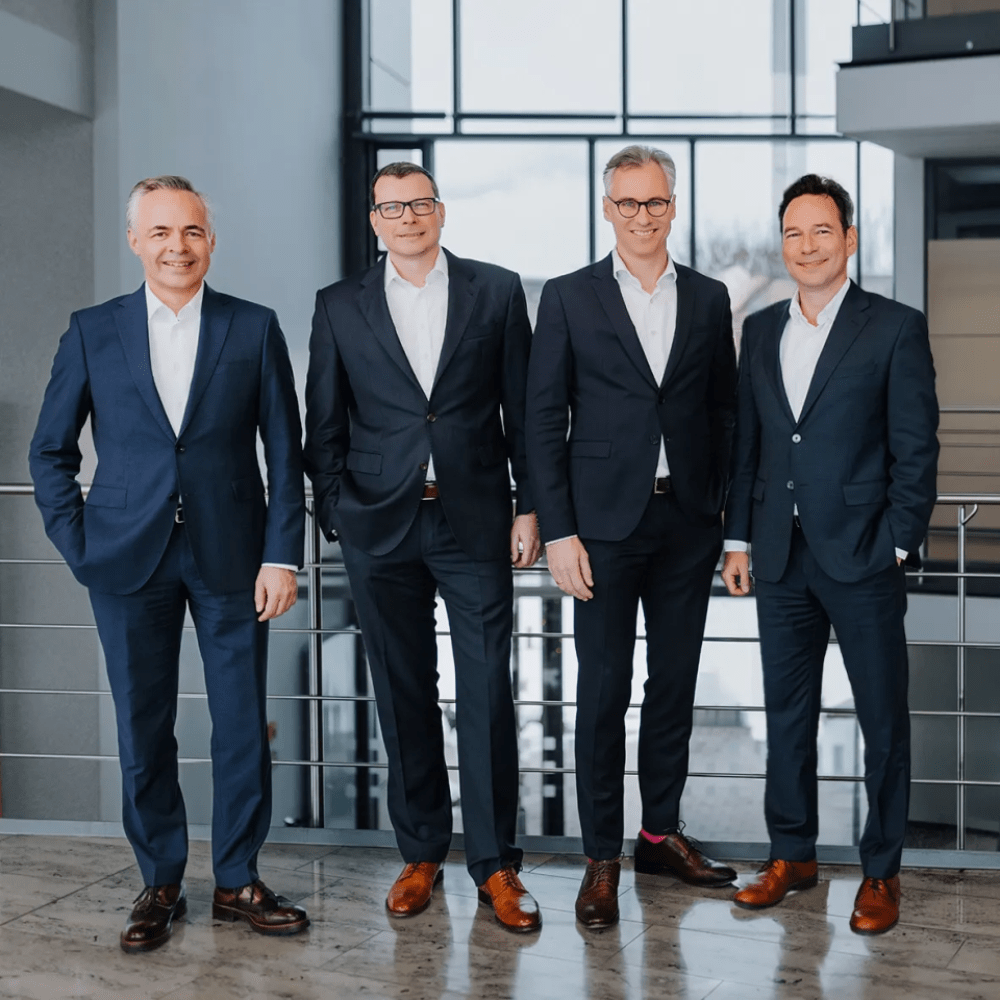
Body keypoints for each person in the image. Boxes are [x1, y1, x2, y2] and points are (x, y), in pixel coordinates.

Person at [29, 176, 308, 953]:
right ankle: (158, 880)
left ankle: (237, 878)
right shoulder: (93, 330)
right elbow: (49, 451)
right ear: (134, 241)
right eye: (159, 232)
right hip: (125, 558)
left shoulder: (254, 328)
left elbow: (286, 455)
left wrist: (282, 555)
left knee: (241, 725)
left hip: (234, 557)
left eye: (190, 231)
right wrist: (78, 541)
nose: (176, 246)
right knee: (142, 724)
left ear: (210, 241)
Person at [304, 162, 542, 932]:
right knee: (403, 692)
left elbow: (527, 413)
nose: (407, 217)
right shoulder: (339, 305)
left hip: (475, 520)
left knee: (485, 694)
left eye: (420, 204)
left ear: (440, 211)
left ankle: (497, 865)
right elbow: (325, 422)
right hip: (382, 524)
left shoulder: (498, 291)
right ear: (375, 220)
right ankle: (421, 852)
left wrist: (530, 507)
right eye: (391, 207)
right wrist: (340, 510)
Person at [526, 144, 739, 929]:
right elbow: (545, 419)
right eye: (628, 204)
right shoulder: (570, 297)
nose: (642, 217)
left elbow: (724, 410)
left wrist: (716, 507)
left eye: (655, 203)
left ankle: (659, 834)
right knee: (603, 693)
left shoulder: (712, 298)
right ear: (607, 209)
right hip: (600, 530)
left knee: (673, 686)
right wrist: (559, 531)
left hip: (685, 521)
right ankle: (600, 859)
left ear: (673, 206)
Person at [722, 174, 939, 934]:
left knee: (883, 719)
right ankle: (793, 855)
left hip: (863, 556)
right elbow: (750, 443)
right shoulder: (761, 329)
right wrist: (738, 538)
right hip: (779, 557)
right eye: (793, 233)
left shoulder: (894, 328)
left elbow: (917, 450)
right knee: (786, 714)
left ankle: (880, 871)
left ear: (849, 239)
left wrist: (898, 544)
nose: (806, 245)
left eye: (821, 231)